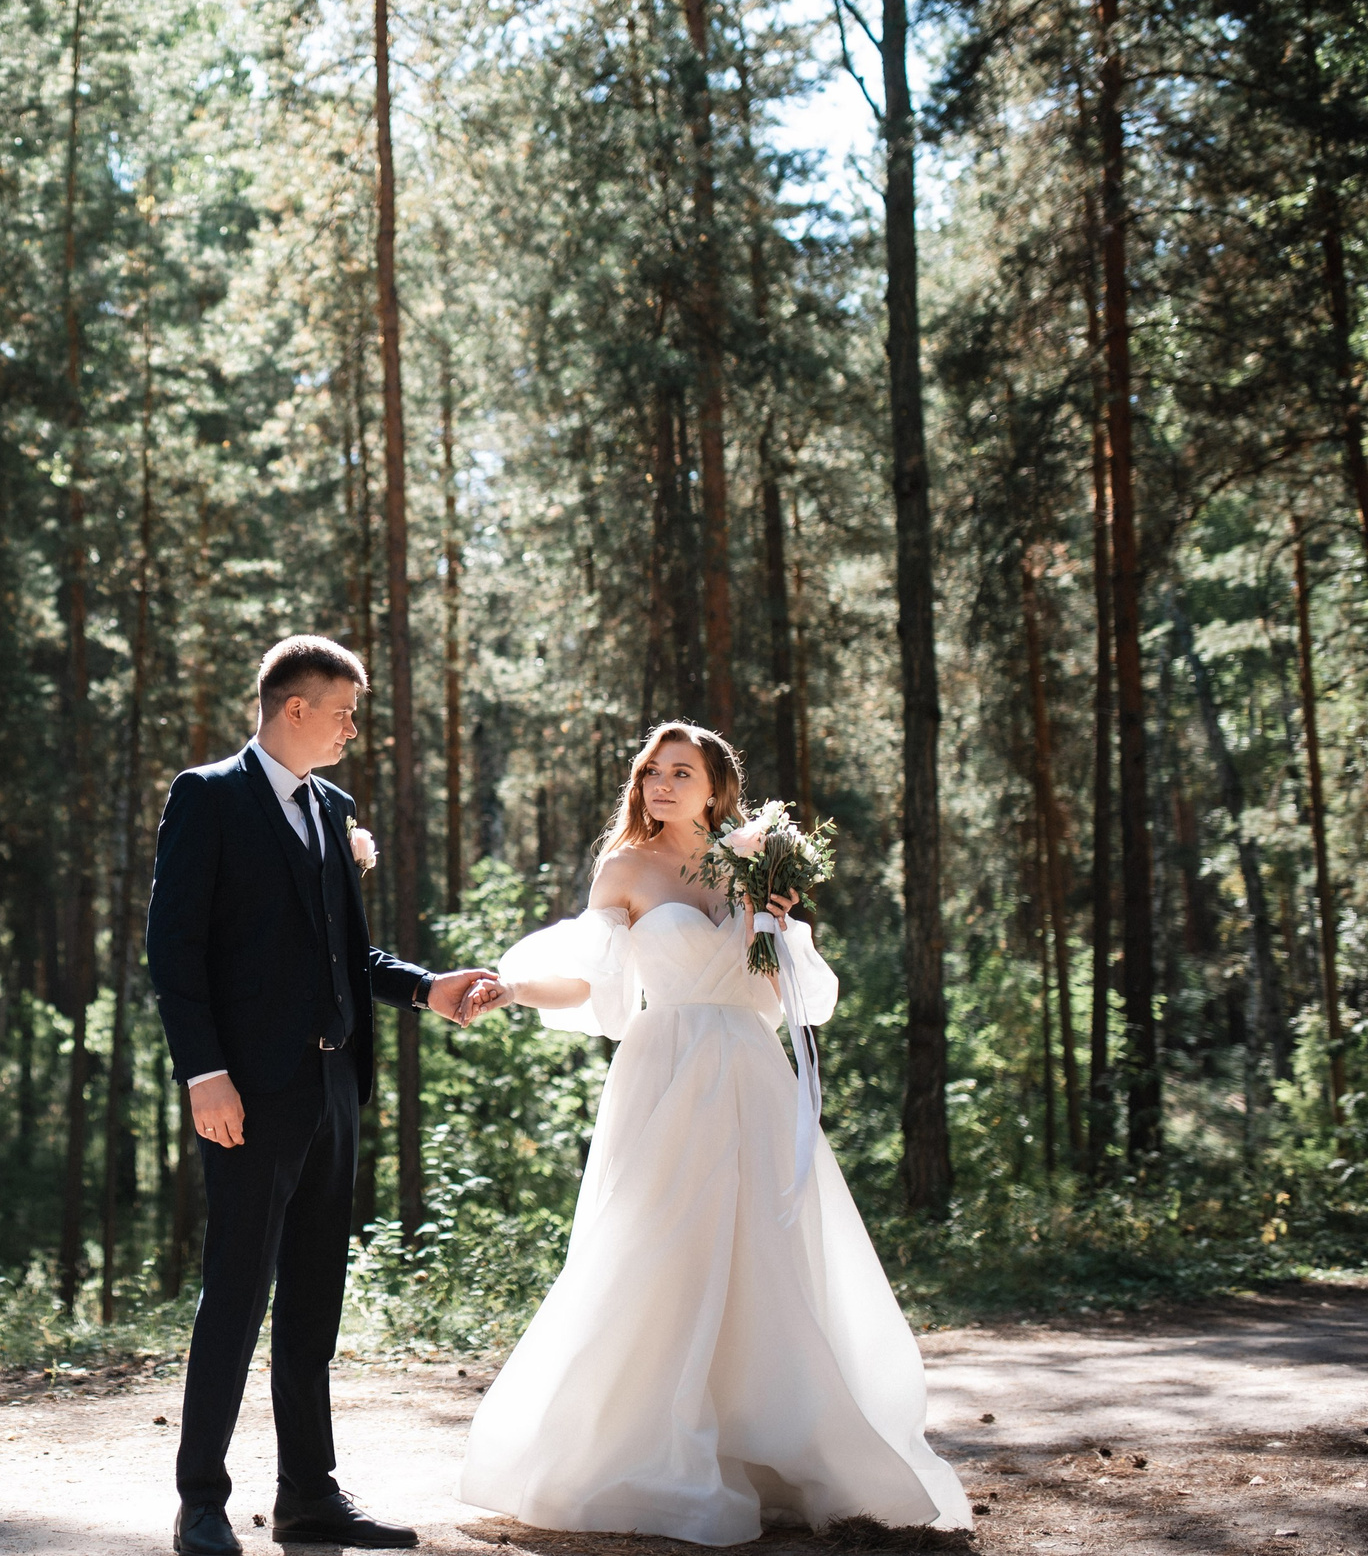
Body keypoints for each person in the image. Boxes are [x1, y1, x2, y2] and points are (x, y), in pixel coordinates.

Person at [452, 722, 972, 1546]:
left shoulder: (755, 865)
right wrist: (512, 990)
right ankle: (641, 1451)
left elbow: (802, 994)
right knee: (658, 1245)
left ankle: (768, 1446)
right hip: (666, 1072)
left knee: (764, 1251)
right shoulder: (625, 866)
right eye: (650, 771)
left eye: (679, 771)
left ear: (715, 788)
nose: (659, 784)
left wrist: (779, 923)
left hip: (753, 1073)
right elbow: (591, 981)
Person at [147, 635, 499, 1555]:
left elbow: (350, 953)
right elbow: (174, 949)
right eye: (343, 712)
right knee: (236, 1294)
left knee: (312, 1302)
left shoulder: (333, 808)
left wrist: (428, 988)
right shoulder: (208, 797)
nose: (352, 729)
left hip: (334, 1087)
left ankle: (308, 1494)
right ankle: (200, 1500)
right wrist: (204, 1073)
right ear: (294, 708)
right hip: (247, 1095)